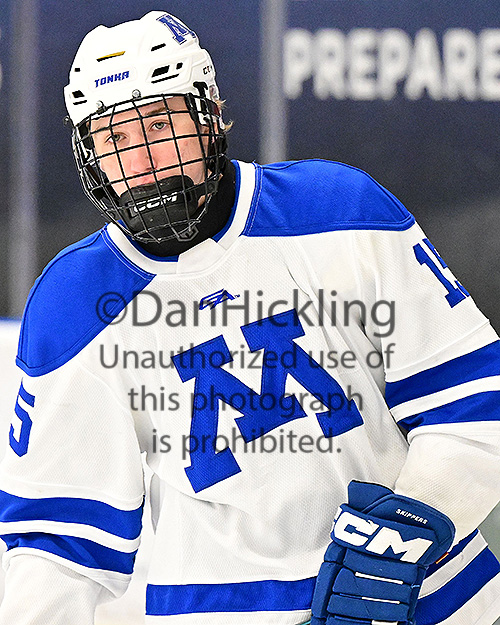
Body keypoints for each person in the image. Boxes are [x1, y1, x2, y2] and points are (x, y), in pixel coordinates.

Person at [0, 10, 499, 625]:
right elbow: (58, 548)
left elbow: (474, 405)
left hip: (431, 605)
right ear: (89, 157)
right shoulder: (74, 305)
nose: (143, 160)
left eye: (159, 123)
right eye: (115, 139)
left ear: (209, 115)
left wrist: (409, 531)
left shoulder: (341, 212)